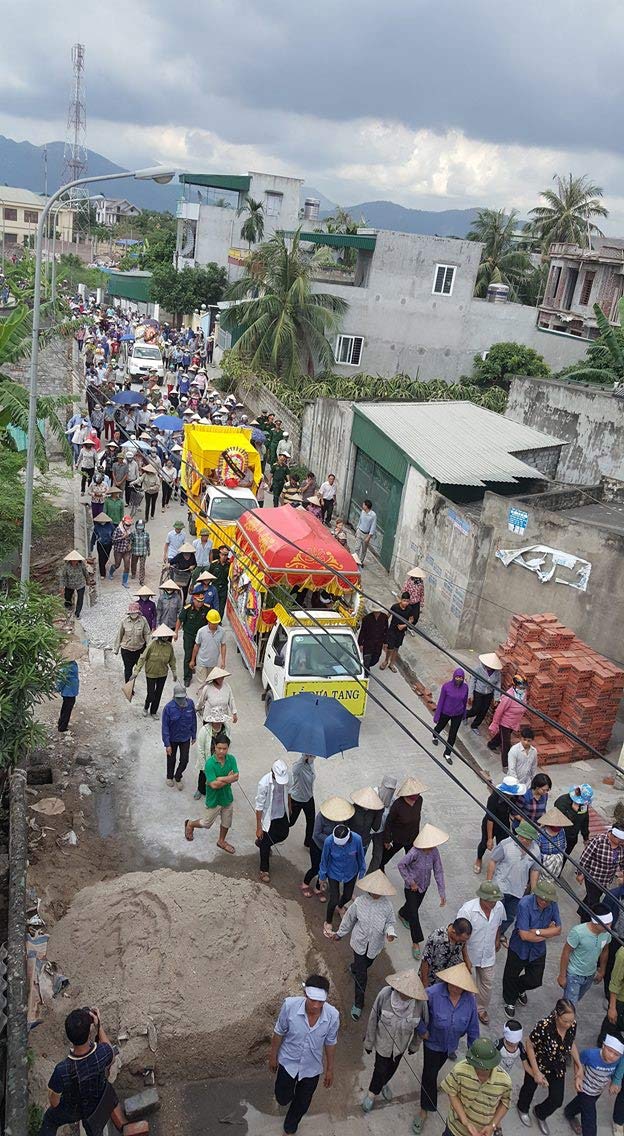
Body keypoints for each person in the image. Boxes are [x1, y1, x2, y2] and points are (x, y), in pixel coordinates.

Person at [269, 975, 339, 1136]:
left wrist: (330, 1069)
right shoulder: (290, 1006)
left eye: (320, 1002)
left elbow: (330, 1042)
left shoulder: (333, 1016)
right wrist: (273, 1056)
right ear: (305, 994)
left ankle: (290, 1129)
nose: (315, 1006)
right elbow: (279, 1032)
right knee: (282, 1097)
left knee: (302, 1103)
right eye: (312, 1000)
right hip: (288, 1062)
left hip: (311, 1068)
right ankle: (287, 1097)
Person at [414, 963, 479, 1133]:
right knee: (429, 1073)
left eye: (459, 985)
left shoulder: (470, 1001)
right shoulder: (433, 993)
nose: (455, 988)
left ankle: (429, 1093)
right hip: (432, 1043)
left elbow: (473, 1030)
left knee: (435, 1069)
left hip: (450, 1045)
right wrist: (422, 1030)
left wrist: (475, 1057)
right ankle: (425, 1109)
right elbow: (415, 1011)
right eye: (453, 983)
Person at [39, 1006, 125, 1136]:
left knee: (50, 1119)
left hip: (73, 1110)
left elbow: (54, 1103)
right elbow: (111, 1054)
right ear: (89, 1031)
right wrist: (99, 1026)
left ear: (69, 1035)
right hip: (97, 1100)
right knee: (93, 1127)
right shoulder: (103, 1053)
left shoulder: (62, 1070)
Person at [332, 870, 397, 1019]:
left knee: (366, 964)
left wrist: (390, 932)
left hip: (374, 946)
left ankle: (354, 967)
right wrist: (339, 934)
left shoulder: (387, 906)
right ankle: (358, 1004)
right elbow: (349, 919)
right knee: (362, 975)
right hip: (359, 943)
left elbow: (390, 923)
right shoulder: (359, 902)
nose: (376, 893)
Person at [362, 969, 427, 1113]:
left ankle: (384, 1083)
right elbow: (373, 1018)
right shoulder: (385, 995)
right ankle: (371, 1094)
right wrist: (369, 1042)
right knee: (379, 1069)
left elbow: (421, 1026)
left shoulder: (420, 1004)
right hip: (382, 1044)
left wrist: (414, 1046)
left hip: (400, 1046)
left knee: (392, 1068)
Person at [517, 999, 581, 1131]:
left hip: (557, 1065)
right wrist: (536, 1072)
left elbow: (571, 1043)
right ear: (557, 1016)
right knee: (529, 1088)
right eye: (565, 1021)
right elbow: (529, 1045)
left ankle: (540, 1113)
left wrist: (579, 1065)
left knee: (557, 1099)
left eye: (571, 1021)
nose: (569, 1024)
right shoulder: (544, 1026)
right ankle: (522, 1108)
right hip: (538, 1062)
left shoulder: (572, 1024)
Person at [502, 879, 562, 1017]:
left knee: (535, 979)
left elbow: (558, 929)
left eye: (548, 901)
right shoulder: (525, 904)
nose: (545, 903)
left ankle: (518, 988)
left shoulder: (552, 904)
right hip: (519, 948)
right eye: (542, 900)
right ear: (536, 895)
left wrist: (537, 932)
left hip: (538, 950)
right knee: (511, 974)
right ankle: (509, 1000)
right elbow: (524, 935)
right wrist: (548, 932)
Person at [440, 1038, 512, 1136]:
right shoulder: (460, 1070)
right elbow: (452, 1093)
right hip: (455, 1130)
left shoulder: (505, 1081)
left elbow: (505, 1103)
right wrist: (466, 1122)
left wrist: (492, 1125)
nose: (481, 1070)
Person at [457, 881, 505, 1026]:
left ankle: (480, 1009)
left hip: (488, 954)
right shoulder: (467, 910)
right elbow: (460, 936)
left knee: (487, 984)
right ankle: (463, 1009)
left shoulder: (499, 907)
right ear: (483, 899)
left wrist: (497, 940)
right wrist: (466, 958)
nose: (495, 903)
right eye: (492, 901)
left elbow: (498, 925)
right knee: (464, 984)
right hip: (469, 953)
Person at [397, 824, 448, 960]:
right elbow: (401, 865)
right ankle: (416, 942)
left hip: (424, 886)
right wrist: (411, 882)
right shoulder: (414, 852)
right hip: (412, 888)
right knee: (414, 914)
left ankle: (402, 913)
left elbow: (438, 870)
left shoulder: (434, 852)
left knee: (411, 908)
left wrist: (441, 892)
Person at [185, 730, 239, 851]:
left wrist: (220, 779)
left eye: (224, 749)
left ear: (228, 748)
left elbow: (236, 777)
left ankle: (221, 841)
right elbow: (213, 785)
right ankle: (190, 824)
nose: (221, 751)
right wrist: (228, 779)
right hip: (214, 799)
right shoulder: (209, 763)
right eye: (219, 748)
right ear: (214, 747)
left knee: (226, 822)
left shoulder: (231, 759)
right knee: (206, 823)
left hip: (227, 798)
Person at [486, 819, 541, 936]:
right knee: (495, 913)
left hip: (518, 890)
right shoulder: (506, 844)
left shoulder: (536, 850)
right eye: (522, 836)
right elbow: (493, 861)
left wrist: (534, 890)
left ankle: (499, 934)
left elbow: (535, 870)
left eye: (527, 838)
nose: (524, 840)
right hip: (501, 886)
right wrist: (489, 882)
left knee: (510, 916)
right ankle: (489, 934)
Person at [564, 1035, 624, 1136]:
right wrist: (578, 1077)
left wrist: (615, 1082)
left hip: (598, 1091)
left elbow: (618, 1069)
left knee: (581, 1103)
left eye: (616, 1054)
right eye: (610, 1051)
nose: (612, 1056)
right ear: (604, 1046)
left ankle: (569, 1112)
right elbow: (578, 1062)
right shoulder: (590, 1054)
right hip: (585, 1089)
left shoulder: (618, 1060)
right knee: (589, 1121)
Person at [193, 666, 238, 798]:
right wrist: (198, 708)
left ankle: (217, 784)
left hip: (221, 718)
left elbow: (231, 700)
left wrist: (234, 713)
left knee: (219, 756)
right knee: (208, 754)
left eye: (223, 677)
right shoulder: (208, 688)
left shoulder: (227, 688)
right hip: (210, 719)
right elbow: (201, 701)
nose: (222, 679)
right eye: (220, 677)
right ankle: (201, 788)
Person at [557, 904, 612, 1005]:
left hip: (590, 975)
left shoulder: (606, 933)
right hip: (574, 975)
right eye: (606, 924)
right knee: (570, 1005)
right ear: (596, 922)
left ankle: (556, 1018)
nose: (609, 927)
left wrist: (602, 971)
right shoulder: (578, 932)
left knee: (569, 1004)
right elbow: (566, 952)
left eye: (610, 924)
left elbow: (605, 951)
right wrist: (562, 975)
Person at [300, 797, 354, 900]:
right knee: (315, 868)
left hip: (331, 849)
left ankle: (317, 888)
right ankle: (305, 884)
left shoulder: (342, 819)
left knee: (324, 869)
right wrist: (333, 840)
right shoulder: (321, 816)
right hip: (317, 846)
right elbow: (316, 834)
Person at [319, 823, 366, 937]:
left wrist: (361, 872)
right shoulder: (329, 841)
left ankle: (340, 907)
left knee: (348, 896)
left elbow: (361, 856)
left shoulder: (357, 839)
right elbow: (324, 859)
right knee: (333, 899)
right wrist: (322, 877)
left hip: (351, 871)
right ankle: (328, 921)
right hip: (334, 872)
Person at [473, 775, 526, 875]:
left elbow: (513, 811)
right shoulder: (493, 799)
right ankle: (479, 859)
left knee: (503, 845)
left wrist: (521, 819)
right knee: (484, 843)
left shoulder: (513, 798)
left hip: (503, 823)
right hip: (491, 824)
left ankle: (499, 862)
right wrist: (489, 838)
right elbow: (490, 819)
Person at [576, 825, 624, 920]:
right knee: (594, 902)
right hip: (592, 877)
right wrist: (580, 873)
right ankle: (586, 920)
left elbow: (622, 862)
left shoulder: (621, 848)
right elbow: (585, 857)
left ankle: (581, 911)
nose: (622, 842)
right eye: (620, 840)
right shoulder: (599, 840)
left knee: (592, 896)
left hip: (606, 879)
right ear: (613, 836)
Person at [255, 759, 291, 883]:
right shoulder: (264, 783)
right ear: (273, 773)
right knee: (265, 842)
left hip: (281, 812)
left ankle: (263, 844)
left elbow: (288, 793)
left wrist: (289, 809)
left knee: (284, 833)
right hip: (268, 816)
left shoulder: (286, 779)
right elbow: (259, 806)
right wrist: (259, 827)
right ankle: (263, 869)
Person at [381, 776, 427, 868]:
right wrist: (387, 840)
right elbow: (389, 822)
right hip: (397, 838)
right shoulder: (398, 805)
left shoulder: (419, 800)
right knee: (385, 857)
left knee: (412, 861)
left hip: (412, 837)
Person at [133, 623, 177, 718]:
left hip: (162, 673)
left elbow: (172, 660)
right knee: (151, 693)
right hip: (151, 673)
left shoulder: (169, 647)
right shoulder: (152, 644)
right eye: (164, 636)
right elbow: (142, 658)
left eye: (167, 636)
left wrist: (174, 672)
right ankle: (146, 707)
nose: (165, 638)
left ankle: (153, 711)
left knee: (158, 693)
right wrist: (136, 671)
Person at [488, 673, 528, 771]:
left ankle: (492, 744)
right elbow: (499, 711)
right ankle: (505, 764)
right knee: (506, 743)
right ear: (514, 685)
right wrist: (495, 723)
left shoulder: (523, 694)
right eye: (520, 686)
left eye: (523, 687)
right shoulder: (508, 696)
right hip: (505, 723)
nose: (522, 688)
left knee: (501, 737)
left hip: (514, 722)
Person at [161, 682, 197, 789]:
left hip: (185, 737)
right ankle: (169, 776)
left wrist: (193, 735)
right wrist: (167, 744)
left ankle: (178, 776)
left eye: (183, 697)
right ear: (174, 696)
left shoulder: (190, 704)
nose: (181, 700)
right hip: (172, 738)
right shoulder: (168, 708)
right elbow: (165, 727)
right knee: (171, 759)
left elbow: (193, 720)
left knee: (185, 759)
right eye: (178, 698)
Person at [420, 918, 473, 989]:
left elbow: (463, 946)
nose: (463, 942)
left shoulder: (461, 940)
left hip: (447, 980)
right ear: (454, 932)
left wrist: (467, 959)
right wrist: (424, 982)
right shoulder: (436, 938)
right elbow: (425, 961)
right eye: (461, 940)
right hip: (431, 979)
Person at [432, 667, 469, 764]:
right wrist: (437, 715)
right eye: (457, 677)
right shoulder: (446, 687)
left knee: (453, 734)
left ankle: (447, 753)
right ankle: (435, 736)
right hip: (446, 712)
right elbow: (441, 702)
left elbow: (465, 702)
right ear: (454, 677)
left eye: (461, 677)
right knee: (440, 726)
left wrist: (464, 713)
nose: (459, 679)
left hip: (458, 714)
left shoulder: (465, 687)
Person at [175, 584, 209, 685]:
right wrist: (176, 632)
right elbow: (180, 620)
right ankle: (187, 677)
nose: (200, 603)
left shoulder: (206, 609)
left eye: (202, 601)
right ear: (194, 600)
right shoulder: (187, 609)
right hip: (189, 635)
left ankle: (194, 666)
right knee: (188, 656)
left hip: (201, 636)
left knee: (200, 654)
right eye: (198, 601)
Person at [114, 602, 151, 682]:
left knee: (137, 670)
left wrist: (149, 647)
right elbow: (119, 635)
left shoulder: (143, 621)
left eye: (135, 612)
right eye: (132, 612)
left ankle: (132, 684)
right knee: (128, 669)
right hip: (126, 650)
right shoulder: (124, 621)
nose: (133, 614)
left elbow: (147, 634)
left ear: (138, 612)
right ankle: (128, 688)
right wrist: (116, 649)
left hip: (138, 650)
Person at [554, 784, 593, 858]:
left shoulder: (583, 805)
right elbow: (561, 820)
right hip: (559, 836)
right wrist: (574, 811)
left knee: (564, 858)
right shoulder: (562, 802)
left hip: (572, 837)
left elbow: (585, 820)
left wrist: (586, 837)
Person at [466, 651, 502, 731]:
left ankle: (475, 725)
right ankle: (465, 715)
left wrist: (497, 698)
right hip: (478, 692)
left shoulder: (497, 673)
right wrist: (471, 694)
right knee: (476, 709)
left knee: (483, 711)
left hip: (488, 694)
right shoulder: (478, 669)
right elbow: (473, 681)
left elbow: (497, 685)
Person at [190, 609, 226, 684]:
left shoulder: (222, 632)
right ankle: (201, 695)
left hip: (213, 663)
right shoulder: (201, 631)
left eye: (217, 623)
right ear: (208, 621)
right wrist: (192, 660)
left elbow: (223, 645)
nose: (215, 625)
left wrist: (223, 660)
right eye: (213, 623)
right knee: (202, 684)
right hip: (202, 662)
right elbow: (196, 646)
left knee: (210, 684)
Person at [289, 754, 316, 847]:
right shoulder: (299, 766)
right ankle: (271, 835)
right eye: (312, 756)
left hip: (308, 798)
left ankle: (308, 842)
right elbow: (294, 770)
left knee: (311, 821)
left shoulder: (311, 764)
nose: (314, 757)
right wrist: (303, 758)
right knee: (290, 822)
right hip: (297, 799)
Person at [537, 806, 572, 879]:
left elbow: (564, 845)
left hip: (556, 866)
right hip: (542, 866)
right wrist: (549, 859)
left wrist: (557, 857)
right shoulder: (540, 834)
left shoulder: (562, 831)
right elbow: (536, 853)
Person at [350, 786, 385, 858]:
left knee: (359, 861)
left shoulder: (374, 811)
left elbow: (375, 828)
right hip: (351, 843)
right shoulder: (352, 809)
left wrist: (380, 812)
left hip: (364, 842)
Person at [380, 592, 411, 673]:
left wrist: (403, 626)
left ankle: (392, 664)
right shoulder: (395, 607)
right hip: (392, 630)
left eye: (407, 601)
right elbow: (388, 616)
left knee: (396, 648)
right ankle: (386, 661)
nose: (405, 603)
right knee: (390, 648)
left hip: (401, 632)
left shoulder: (409, 609)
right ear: (401, 600)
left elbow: (411, 620)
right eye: (404, 600)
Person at [56, 643, 81, 733]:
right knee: (67, 708)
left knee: (65, 707)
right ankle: (62, 727)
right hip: (69, 691)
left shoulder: (69, 664)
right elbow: (61, 679)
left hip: (70, 691)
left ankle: (61, 723)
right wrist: (57, 688)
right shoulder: (68, 666)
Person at [60, 550, 88, 617]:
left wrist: (88, 580)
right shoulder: (66, 567)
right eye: (73, 560)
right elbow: (63, 577)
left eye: (76, 560)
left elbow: (85, 572)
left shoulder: (81, 565)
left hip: (80, 584)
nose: (74, 561)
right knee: (67, 597)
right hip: (69, 585)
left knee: (80, 599)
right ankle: (68, 607)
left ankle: (77, 613)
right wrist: (61, 587)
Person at [108, 515, 133, 588]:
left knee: (127, 566)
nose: (128, 526)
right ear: (123, 523)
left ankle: (124, 581)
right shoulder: (118, 530)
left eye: (129, 525)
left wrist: (130, 544)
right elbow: (113, 540)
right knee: (117, 564)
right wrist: (122, 537)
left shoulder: (129, 530)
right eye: (127, 525)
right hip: (118, 550)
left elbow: (130, 539)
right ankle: (111, 571)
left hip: (126, 551)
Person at [90, 513, 115, 578]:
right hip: (100, 544)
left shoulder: (111, 526)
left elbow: (114, 534)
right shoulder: (97, 527)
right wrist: (92, 544)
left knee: (106, 557)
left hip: (109, 544)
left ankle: (103, 565)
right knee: (101, 558)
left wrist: (114, 541)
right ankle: (102, 573)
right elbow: (94, 536)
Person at [210, 545, 230, 618]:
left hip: (224, 587)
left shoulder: (229, 564)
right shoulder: (214, 564)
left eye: (226, 555)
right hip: (215, 586)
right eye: (223, 555)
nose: (224, 557)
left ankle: (219, 620)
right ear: (219, 554)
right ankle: (212, 618)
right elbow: (209, 575)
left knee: (222, 605)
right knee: (213, 604)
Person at [130, 517, 150, 586]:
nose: (140, 528)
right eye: (138, 526)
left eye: (141, 526)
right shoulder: (133, 533)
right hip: (135, 552)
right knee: (133, 564)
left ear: (144, 527)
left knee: (142, 566)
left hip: (143, 552)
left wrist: (149, 550)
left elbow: (148, 542)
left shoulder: (146, 534)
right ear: (136, 526)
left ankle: (141, 580)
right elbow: (130, 542)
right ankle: (133, 573)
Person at [354, 499, 377, 564]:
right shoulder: (362, 512)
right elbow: (360, 521)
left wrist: (369, 537)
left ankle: (360, 561)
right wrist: (357, 530)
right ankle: (355, 560)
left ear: (366, 506)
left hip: (366, 534)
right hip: (360, 531)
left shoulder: (373, 515)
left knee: (364, 549)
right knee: (357, 547)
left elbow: (373, 527)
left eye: (363, 505)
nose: (362, 505)